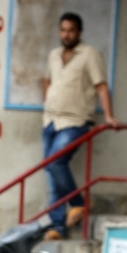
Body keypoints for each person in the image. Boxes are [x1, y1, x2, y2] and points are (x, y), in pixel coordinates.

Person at [42, 12, 118, 239]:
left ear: (79, 32)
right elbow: (47, 80)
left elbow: (101, 85)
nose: (66, 34)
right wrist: (48, 100)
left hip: (74, 121)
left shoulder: (89, 55)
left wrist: (109, 116)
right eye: (63, 30)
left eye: (71, 30)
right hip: (50, 121)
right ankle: (57, 226)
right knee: (52, 172)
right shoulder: (54, 55)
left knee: (56, 163)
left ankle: (78, 203)